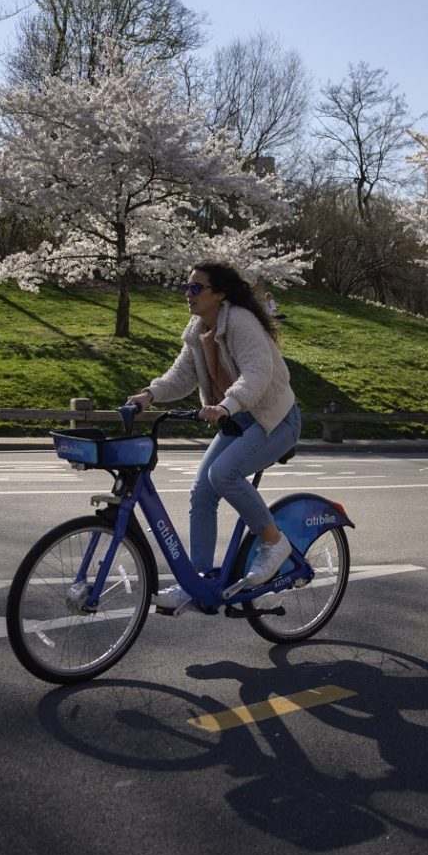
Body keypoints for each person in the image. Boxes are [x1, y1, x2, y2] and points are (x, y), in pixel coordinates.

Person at [126, 261, 301, 614]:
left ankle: (274, 542)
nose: (187, 294)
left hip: (274, 419)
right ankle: (198, 581)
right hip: (237, 418)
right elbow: (182, 375)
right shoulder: (198, 328)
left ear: (218, 294)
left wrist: (226, 404)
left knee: (223, 474)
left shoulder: (240, 321)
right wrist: (149, 394)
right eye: (186, 287)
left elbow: (258, 371)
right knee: (201, 492)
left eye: (195, 288)